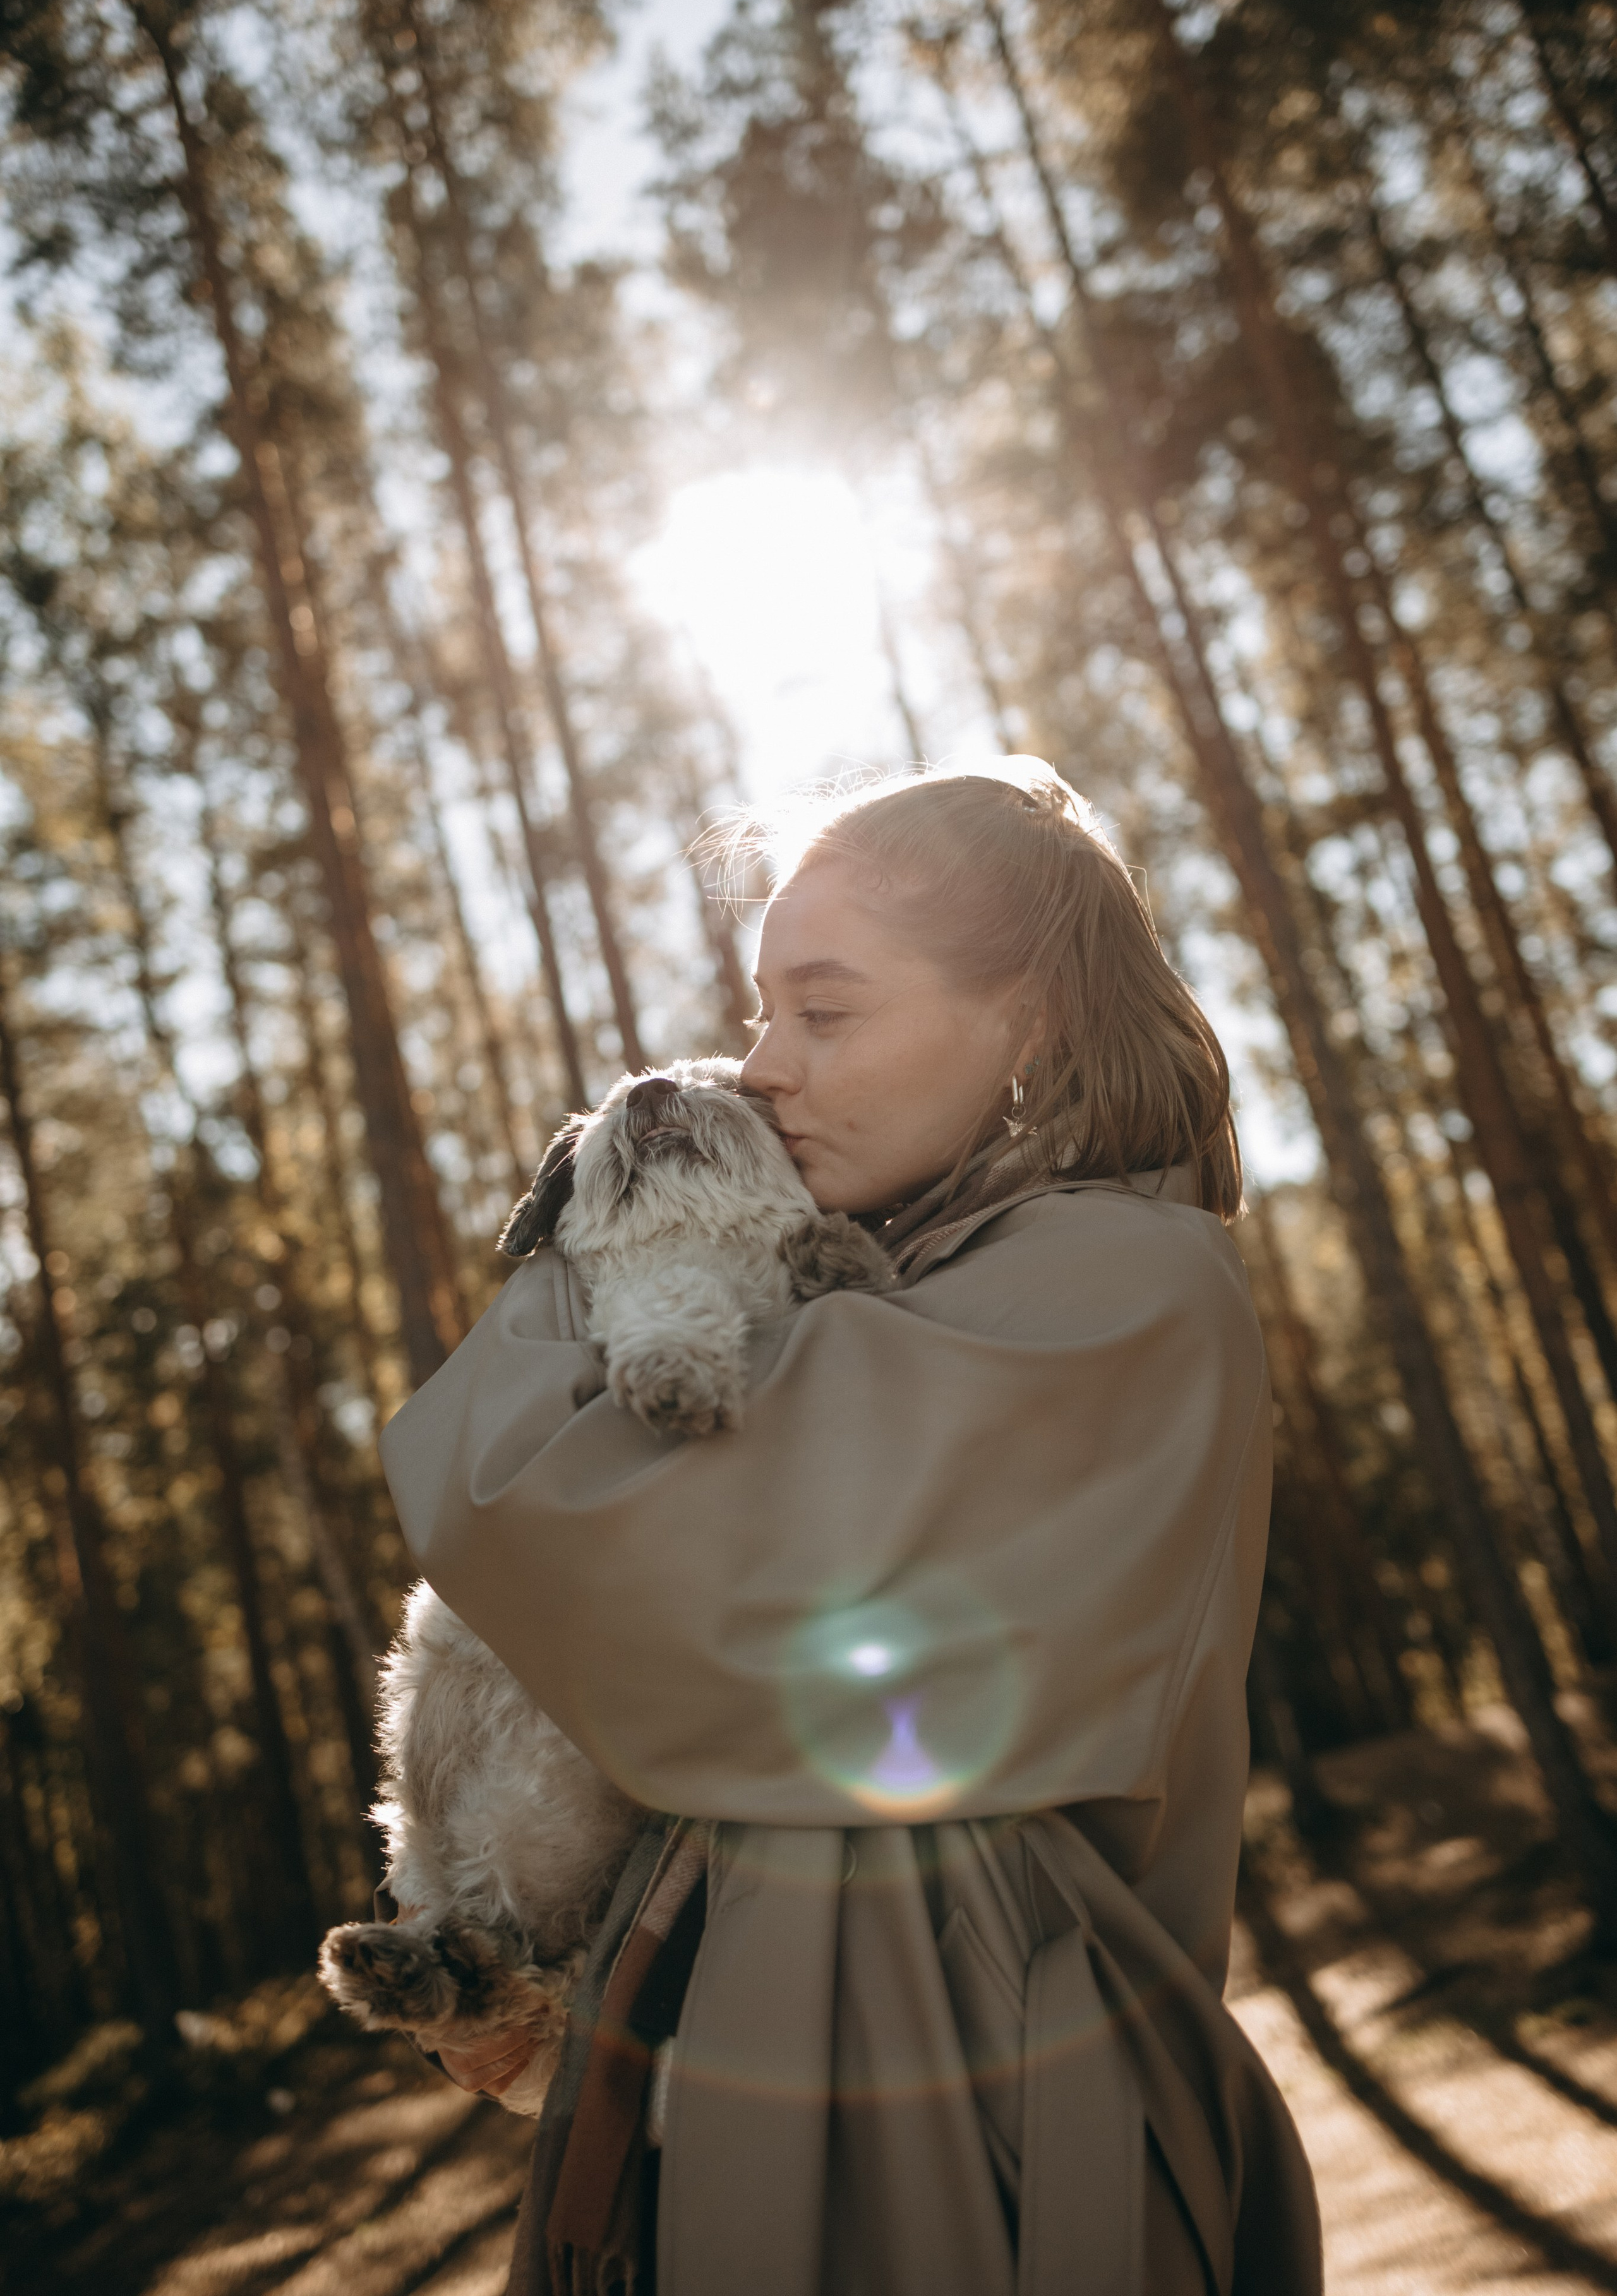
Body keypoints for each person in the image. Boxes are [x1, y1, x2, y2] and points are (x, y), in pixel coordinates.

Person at [378, 763, 1323, 2296]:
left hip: (975, 2129)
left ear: (1030, 1023)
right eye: (759, 1014)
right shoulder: (899, 1283)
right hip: (799, 2091)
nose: (756, 1070)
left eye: (825, 1014)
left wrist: (605, 1209)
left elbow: (559, 1516)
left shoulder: (1119, 1287)